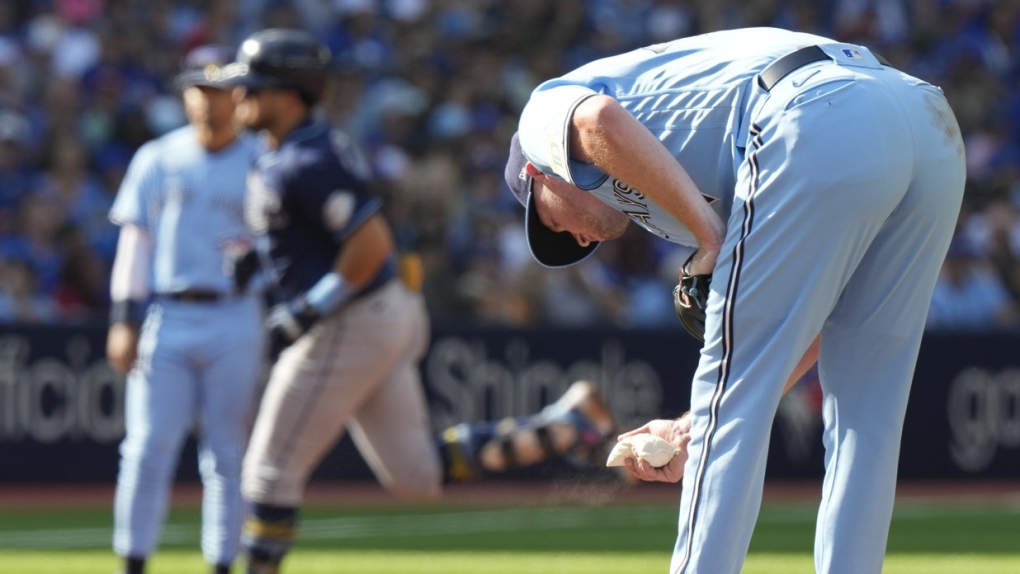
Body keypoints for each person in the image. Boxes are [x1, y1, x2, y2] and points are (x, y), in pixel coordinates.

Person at [504, 27, 966, 574]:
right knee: (868, 413)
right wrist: (692, 426)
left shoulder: (538, 123)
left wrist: (709, 235)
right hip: (923, 119)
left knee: (769, 398)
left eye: (553, 220)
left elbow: (595, 120)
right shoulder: (668, 198)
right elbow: (818, 315)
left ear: (539, 172)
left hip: (816, 108)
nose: (576, 239)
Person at [220, 29, 620, 574]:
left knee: (268, 473)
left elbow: (371, 243)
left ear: (287, 95)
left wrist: (308, 308)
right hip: (381, 312)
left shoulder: (304, 159)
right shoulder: (296, 149)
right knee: (417, 476)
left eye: (253, 88)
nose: (240, 98)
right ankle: (565, 426)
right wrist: (258, 257)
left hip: (349, 317)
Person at [105, 45, 265, 574]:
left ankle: (222, 563)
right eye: (200, 90)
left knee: (227, 455)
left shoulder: (260, 159)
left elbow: (278, 245)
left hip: (235, 314)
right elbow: (134, 245)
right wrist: (124, 320)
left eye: (220, 91)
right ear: (186, 95)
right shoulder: (157, 157)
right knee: (146, 448)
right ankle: (132, 561)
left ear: (239, 97)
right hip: (168, 314)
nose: (209, 102)